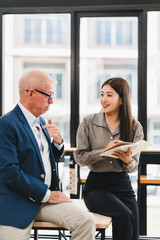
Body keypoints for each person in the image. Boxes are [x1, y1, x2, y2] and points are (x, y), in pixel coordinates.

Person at [0, 70, 95, 240]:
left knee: (86, 221)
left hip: (44, 201)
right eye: (48, 95)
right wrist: (49, 194)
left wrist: (57, 143)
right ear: (31, 93)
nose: (51, 101)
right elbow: (10, 173)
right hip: (16, 202)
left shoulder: (41, 121)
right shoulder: (6, 124)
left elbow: (41, 160)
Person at [74, 77, 144, 240]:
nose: (103, 99)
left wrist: (127, 160)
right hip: (96, 187)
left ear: (121, 100)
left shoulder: (134, 126)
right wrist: (103, 152)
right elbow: (80, 158)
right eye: (102, 94)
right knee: (124, 215)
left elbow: (134, 167)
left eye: (109, 95)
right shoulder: (88, 122)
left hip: (123, 185)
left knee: (133, 231)